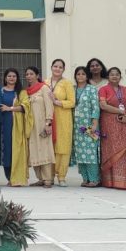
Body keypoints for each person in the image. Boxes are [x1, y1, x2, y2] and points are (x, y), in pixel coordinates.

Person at [0, 68, 32, 187]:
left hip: (16, 126)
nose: (11, 78)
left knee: (17, 151)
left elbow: (25, 107)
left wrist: (10, 108)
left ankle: (17, 178)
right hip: (3, 125)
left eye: (14, 76)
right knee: (6, 151)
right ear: (5, 78)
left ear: (17, 78)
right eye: (9, 76)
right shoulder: (0, 91)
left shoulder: (21, 92)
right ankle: (9, 177)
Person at [25, 67, 55, 188]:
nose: (28, 76)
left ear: (37, 75)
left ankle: (48, 179)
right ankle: (40, 179)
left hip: (42, 124)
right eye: (27, 74)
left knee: (45, 149)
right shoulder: (27, 91)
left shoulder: (44, 88)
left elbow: (50, 106)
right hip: (31, 126)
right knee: (34, 150)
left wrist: (48, 123)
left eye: (31, 74)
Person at [48, 59, 76, 187]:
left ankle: (62, 176)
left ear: (63, 69)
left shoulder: (67, 83)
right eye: (55, 66)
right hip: (49, 118)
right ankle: (49, 176)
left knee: (62, 147)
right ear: (51, 67)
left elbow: (72, 102)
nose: (57, 69)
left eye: (60, 67)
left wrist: (57, 102)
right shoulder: (45, 82)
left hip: (63, 118)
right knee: (50, 147)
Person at [73, 66, 101, 187]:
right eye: (78, 74)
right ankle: (85, 178)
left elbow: (95, 106)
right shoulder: (72, 89)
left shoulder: (92, 89)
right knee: (80, 153)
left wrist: (95, 123)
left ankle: (94, 179)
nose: (80, 76)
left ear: (87, 76)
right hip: (77, 126)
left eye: (83, 74)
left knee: (90, 153)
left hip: (89, 125)